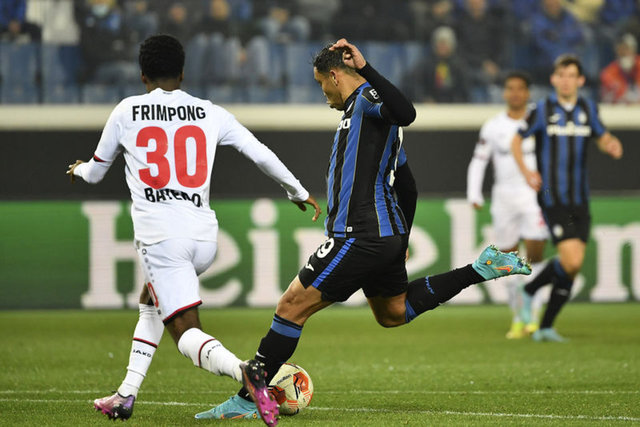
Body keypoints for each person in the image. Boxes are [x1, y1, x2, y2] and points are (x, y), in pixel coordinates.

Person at [197, 38, 532, 419]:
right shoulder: (371, 124)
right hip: (384, 235)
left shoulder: (368, 99)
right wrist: (402, 239)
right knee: (393, 312)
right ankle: (480, 269)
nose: (323, 93)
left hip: (359, 234)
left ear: (335, 76)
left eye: (321, 83)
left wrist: (367, 69)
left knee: (291, 306)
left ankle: (246, 400)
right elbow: (408, 186)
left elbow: (407, 112)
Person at [66, 34, 321, 426]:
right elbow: (259, 152)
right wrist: (298, 191)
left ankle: (246, 372)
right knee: (151, 299)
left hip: (162, 238)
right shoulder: (209, 112)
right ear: (183, 73)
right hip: (204, 238)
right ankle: (126, 394)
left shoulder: (127, 110)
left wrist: (78, 169)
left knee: (185, 333)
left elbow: (96, 174)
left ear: (142, 75)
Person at [511, 54, 623, 342]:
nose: (566, 81)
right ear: (553, 79)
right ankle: (531, 292)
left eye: (571, 75)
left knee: (572, 267)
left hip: (580, 198)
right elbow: (517, 139)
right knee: (571, 262)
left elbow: (601, 135)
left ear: (580, 80)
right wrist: (526, 171)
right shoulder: (542, 109)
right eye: (561, 75)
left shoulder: (588, 108)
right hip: (552, 197)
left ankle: (545, 324)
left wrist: (610, 143)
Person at [467, 71, 549, 339]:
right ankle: (518, 316)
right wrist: (474, 193)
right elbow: (479, 160)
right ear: (504, 92)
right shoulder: (493, 126)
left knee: (535, 255)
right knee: (509, 261)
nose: (515, 93)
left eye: (520, 88)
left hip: (534, 197)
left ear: (527, 92)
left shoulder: (540, 121)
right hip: (504, 198)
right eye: (510, 88)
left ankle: (534, 314)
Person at [600, 33, 640, 104]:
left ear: (634, 51)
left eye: (627, 49)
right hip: (621, 109)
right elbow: (614, 97)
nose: (624, 53)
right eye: (621, 50)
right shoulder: (608, 73)